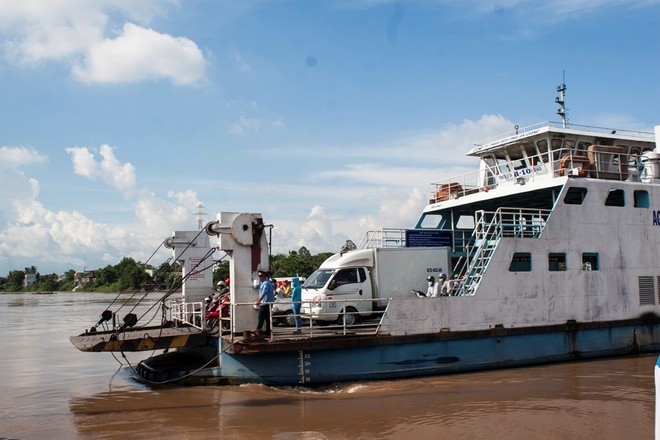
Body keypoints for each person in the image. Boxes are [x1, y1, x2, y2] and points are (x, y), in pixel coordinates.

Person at [255, 270, 275, 335]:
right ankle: (268, 332)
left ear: (264, 276)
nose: (260, 278)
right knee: (267, 318)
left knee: (261, 318)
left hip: (265, 303)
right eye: (259, 276)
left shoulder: (266, 283)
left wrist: (259, 301)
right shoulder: (266, 282)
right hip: (268, 303)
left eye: (261, 276)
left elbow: (264, 293)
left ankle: (257, 332)